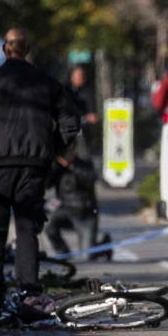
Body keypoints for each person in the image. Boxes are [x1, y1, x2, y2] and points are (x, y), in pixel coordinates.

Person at [0, 28, 80, 309]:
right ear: (27, 50)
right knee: (27, 229)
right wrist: (52, 147)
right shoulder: (47, 82)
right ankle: (29, 291)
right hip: (34, 166)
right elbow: (71, 121)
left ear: (5, 49)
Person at [45, 110, 110, 261]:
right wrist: (56, 165)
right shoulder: (57, 166)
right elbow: (46, 184)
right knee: (49, 226)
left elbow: (91, 178)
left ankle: (105, 245)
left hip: (85, 214)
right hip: (66, 211)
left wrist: (72, 165)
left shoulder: (83, 163)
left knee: (88, 257)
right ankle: (64, 254)